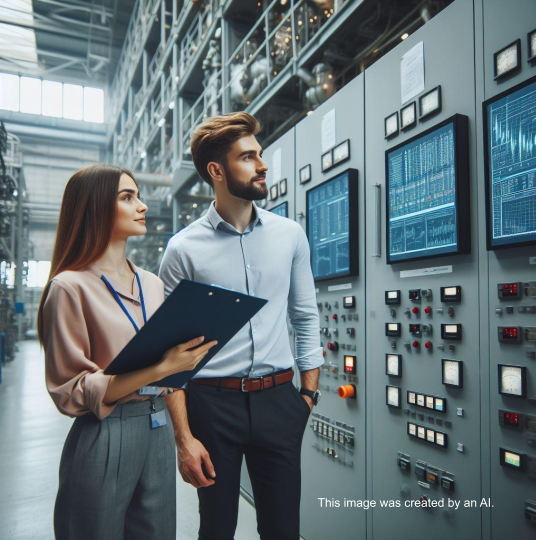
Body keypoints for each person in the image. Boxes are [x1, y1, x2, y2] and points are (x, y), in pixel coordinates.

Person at [159, 112, 323, 540]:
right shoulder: (183, 250)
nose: (262, 164)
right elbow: (170, 354)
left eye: (260, 154)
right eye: (248, 157)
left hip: (280, 402)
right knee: (216, 529)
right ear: (217, 171)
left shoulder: (290, 235)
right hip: (212, 406)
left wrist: (307, 395)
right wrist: (183, 437)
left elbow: (305, 316)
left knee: (284, 529)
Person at [37, 164, 217, 540]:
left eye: (138, 195)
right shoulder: (69, 288)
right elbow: (70, 391)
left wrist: (184, 361)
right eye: (127, 197)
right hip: (105, 433)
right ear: (95, 208)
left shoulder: (151, 283)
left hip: (158, 428)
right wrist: (159, 370)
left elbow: (165, 359)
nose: (142, 206)